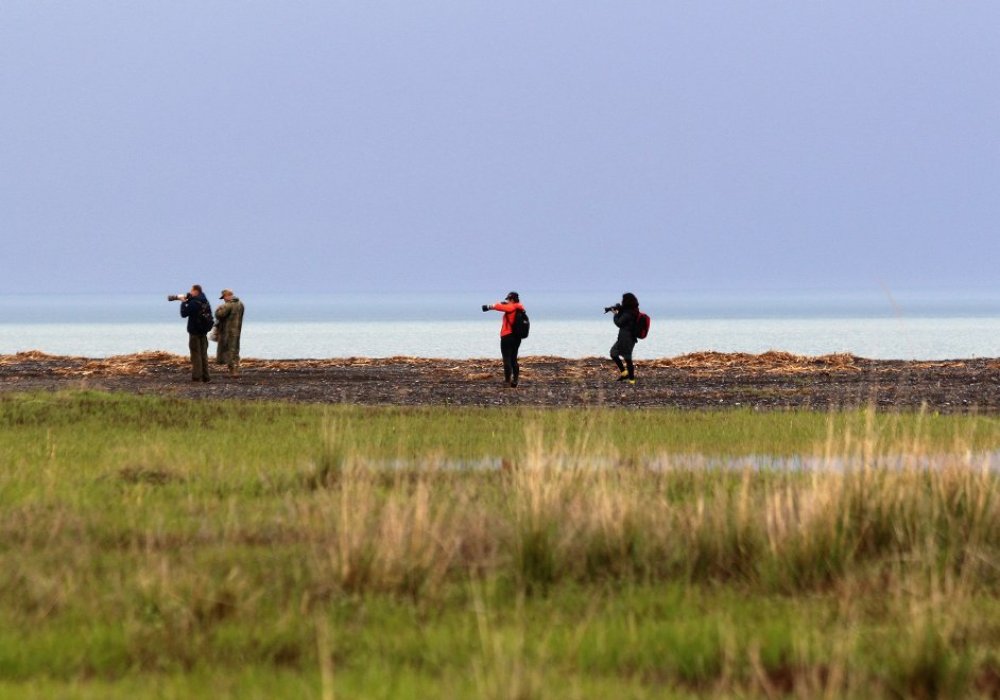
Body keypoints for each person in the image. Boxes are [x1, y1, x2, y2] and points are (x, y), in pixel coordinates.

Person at [482, 291, 525, 387]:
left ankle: (507, 381)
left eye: (508, 300)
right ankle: (515, 380)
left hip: (507, 336)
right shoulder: (520, 307)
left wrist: (490, 306)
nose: (507, 301)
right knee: (514, 359)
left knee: (507, 358)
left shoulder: (511, 307)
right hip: (517, 338)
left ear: (512, 299)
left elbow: (499, 306)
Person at [179, 284, 212, 383]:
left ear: (196, 291)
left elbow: (184, 314)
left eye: (191, 291)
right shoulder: (205, 301)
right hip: (204, 331)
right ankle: (206, 376)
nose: (190, 292)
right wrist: (189, 299)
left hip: (194, 332)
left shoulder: (194, 303)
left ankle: (197, 377)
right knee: (203, 354)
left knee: (195, 354)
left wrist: (183, 303)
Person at [609, 292, 640, 385]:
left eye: (623, 300)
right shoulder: (633, 310)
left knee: (627, 358)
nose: (622, 301)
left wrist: (615, 314)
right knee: (614, 353)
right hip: (626, 337)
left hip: (626, 338)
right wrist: (619, 310)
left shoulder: (629, 313)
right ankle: (625, 373)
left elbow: (619, 323)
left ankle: (631, 380)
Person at [214, 288, 245, 377]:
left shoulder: (228, 305)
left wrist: (217, 309)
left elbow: (219, 315)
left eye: (224, 297)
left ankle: (233, 371)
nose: (223, 299)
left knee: (229, 350)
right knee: (235, 350)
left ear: (227, 296)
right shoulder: (241, 304)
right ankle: (237, 369)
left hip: (228, 331)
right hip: (237, 330)